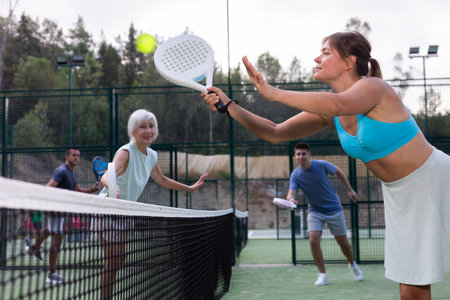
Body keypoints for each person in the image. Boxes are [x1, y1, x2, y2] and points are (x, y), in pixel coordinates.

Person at [202, 31, 450, 300]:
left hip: (433, 179)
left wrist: (272, 93)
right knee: (411, 286)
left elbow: (338, 103)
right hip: (399, 193)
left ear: (348, 61)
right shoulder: (329, 111)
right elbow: (274, 132)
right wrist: (229, 106)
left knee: (412, 287)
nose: (317, 58)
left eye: (326, 52)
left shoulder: (374, 88)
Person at [95, 109, 208, 300]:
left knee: (118, 259)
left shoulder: (152, 155)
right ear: (133, 130)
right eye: (142, 127)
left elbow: (162, 180)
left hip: (126, 213)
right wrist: (111, 186)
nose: (148, 131)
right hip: (106, 210)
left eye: (151, 126)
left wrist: (189, 188)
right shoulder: (125, 152)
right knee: (112, 260)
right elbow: (108, 173)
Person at [287, 142, 362, 286]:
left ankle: (353, 264)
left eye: (304, 153)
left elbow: (338, 171)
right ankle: (323, 275)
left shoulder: (321, 165)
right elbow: (291, 192)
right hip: (315, 211)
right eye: (298, 154)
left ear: (309, 154)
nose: (301, 156)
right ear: (295, 156)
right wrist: (290, 199)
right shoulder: (295, 175)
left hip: (334, 208)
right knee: (313, 240)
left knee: (342, 242)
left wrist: (350, 190)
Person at [29, 147, 101, 284]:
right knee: (58, 238)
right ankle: (51, 274)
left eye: (78, 155)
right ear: (66, 156)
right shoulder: (62, 171)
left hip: (61, 210)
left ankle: (34, 247)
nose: (76, 158)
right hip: (55, 209)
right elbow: (48, 187)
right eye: (74, 155)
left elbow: (77, 190)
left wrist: (91, 189)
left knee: (52, 230)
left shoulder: (72, 173)